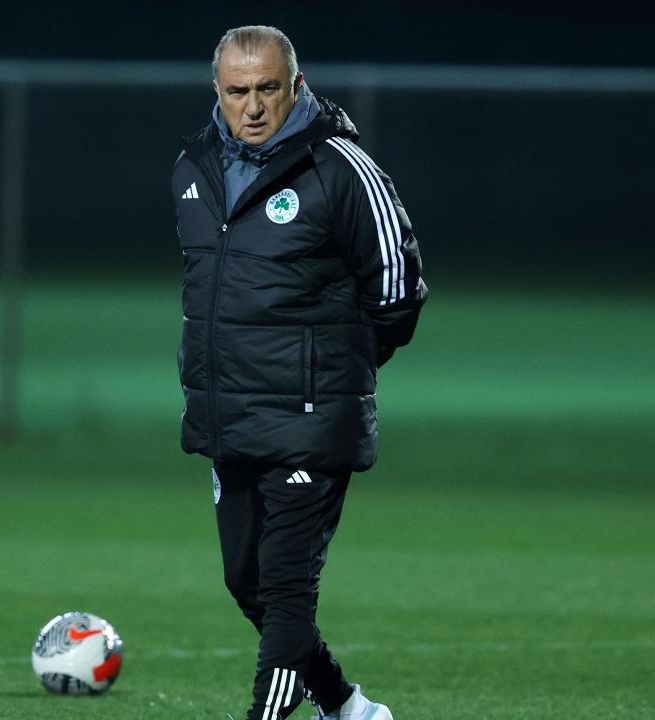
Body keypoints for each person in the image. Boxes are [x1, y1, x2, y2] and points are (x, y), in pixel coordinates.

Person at [171, 25, 427, 720]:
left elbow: (398, 291)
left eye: (268, 88)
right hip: (231, 417)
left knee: (286, 594)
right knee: (246, 583)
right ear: (217, 91)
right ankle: (347, 707)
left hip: (311, 422)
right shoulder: (194, 168)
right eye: (237, 91)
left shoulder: (341, 168)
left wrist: (329, 369)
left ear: (297, 86)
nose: (252, 106)